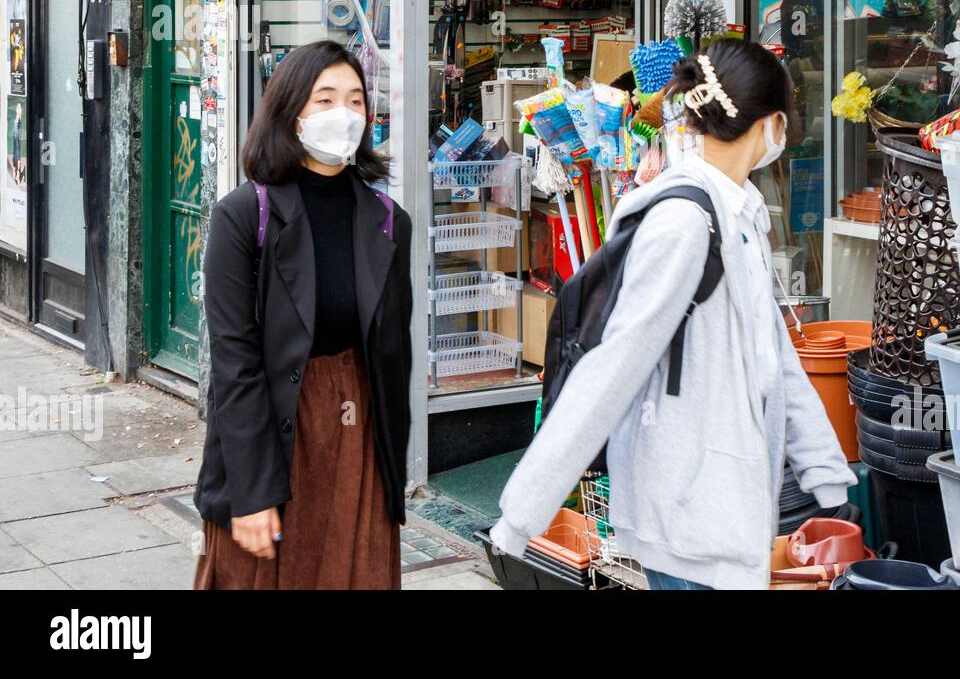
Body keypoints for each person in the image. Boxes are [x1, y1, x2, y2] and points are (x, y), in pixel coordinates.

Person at [490, 38, 856, 590]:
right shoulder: (684, 222)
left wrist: (828, 482)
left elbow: (774, 358)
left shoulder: (741, 213)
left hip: (725, 505)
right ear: (771, 124)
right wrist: (523, 512)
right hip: (684, 511)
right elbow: (614, 368)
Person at [193, 39, 414, 590]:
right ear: (292, 114)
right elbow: (234, 364)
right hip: (275, 431)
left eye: (357, 99)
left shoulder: (389, 221)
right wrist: (251, 491)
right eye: (325, 99)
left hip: (358, 437)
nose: (345, 113)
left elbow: (394, 357)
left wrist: (391, 474)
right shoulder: (244, 216)